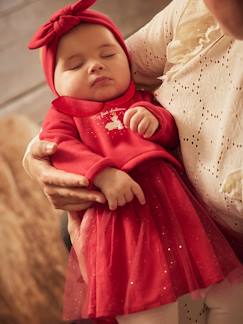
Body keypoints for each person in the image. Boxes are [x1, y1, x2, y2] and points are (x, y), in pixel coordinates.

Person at [24, 0, 243, 323]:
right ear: (55, 87)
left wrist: (156, 120)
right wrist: (100, 174)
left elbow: (169, 127)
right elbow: (55, 145)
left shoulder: (138, 99)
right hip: (122, 227)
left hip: (179, 216)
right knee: (148, 304)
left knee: (221, 293)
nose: (96, 66)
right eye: (74, 65)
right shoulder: (65, 114)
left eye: (108, 56)